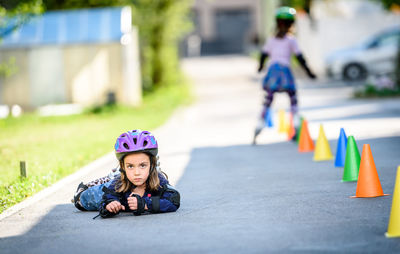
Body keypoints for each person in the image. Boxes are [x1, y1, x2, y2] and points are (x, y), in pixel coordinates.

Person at [72, 129, 180, 218]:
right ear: (123, 167)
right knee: (82, 200)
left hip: (128, 182)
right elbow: (106, 201)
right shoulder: (118, 183)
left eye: (142, 165)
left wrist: (145, 204)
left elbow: (173, 201)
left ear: (152, 165)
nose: (137, 173)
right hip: (115, 183)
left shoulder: (158, 179)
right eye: (130, 166)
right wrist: (109, 206)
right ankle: (83, 190)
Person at [253, 6, 316, 145]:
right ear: (291, 24)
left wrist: (260, 67)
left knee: (268, 100)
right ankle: (296, 126)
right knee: (293, 99)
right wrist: (309, 72)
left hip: (273, 72)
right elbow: (300, 57)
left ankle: (258, 127)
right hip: (285, 72)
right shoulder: (291, 40)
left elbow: (263, 55)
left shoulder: (271, 40)